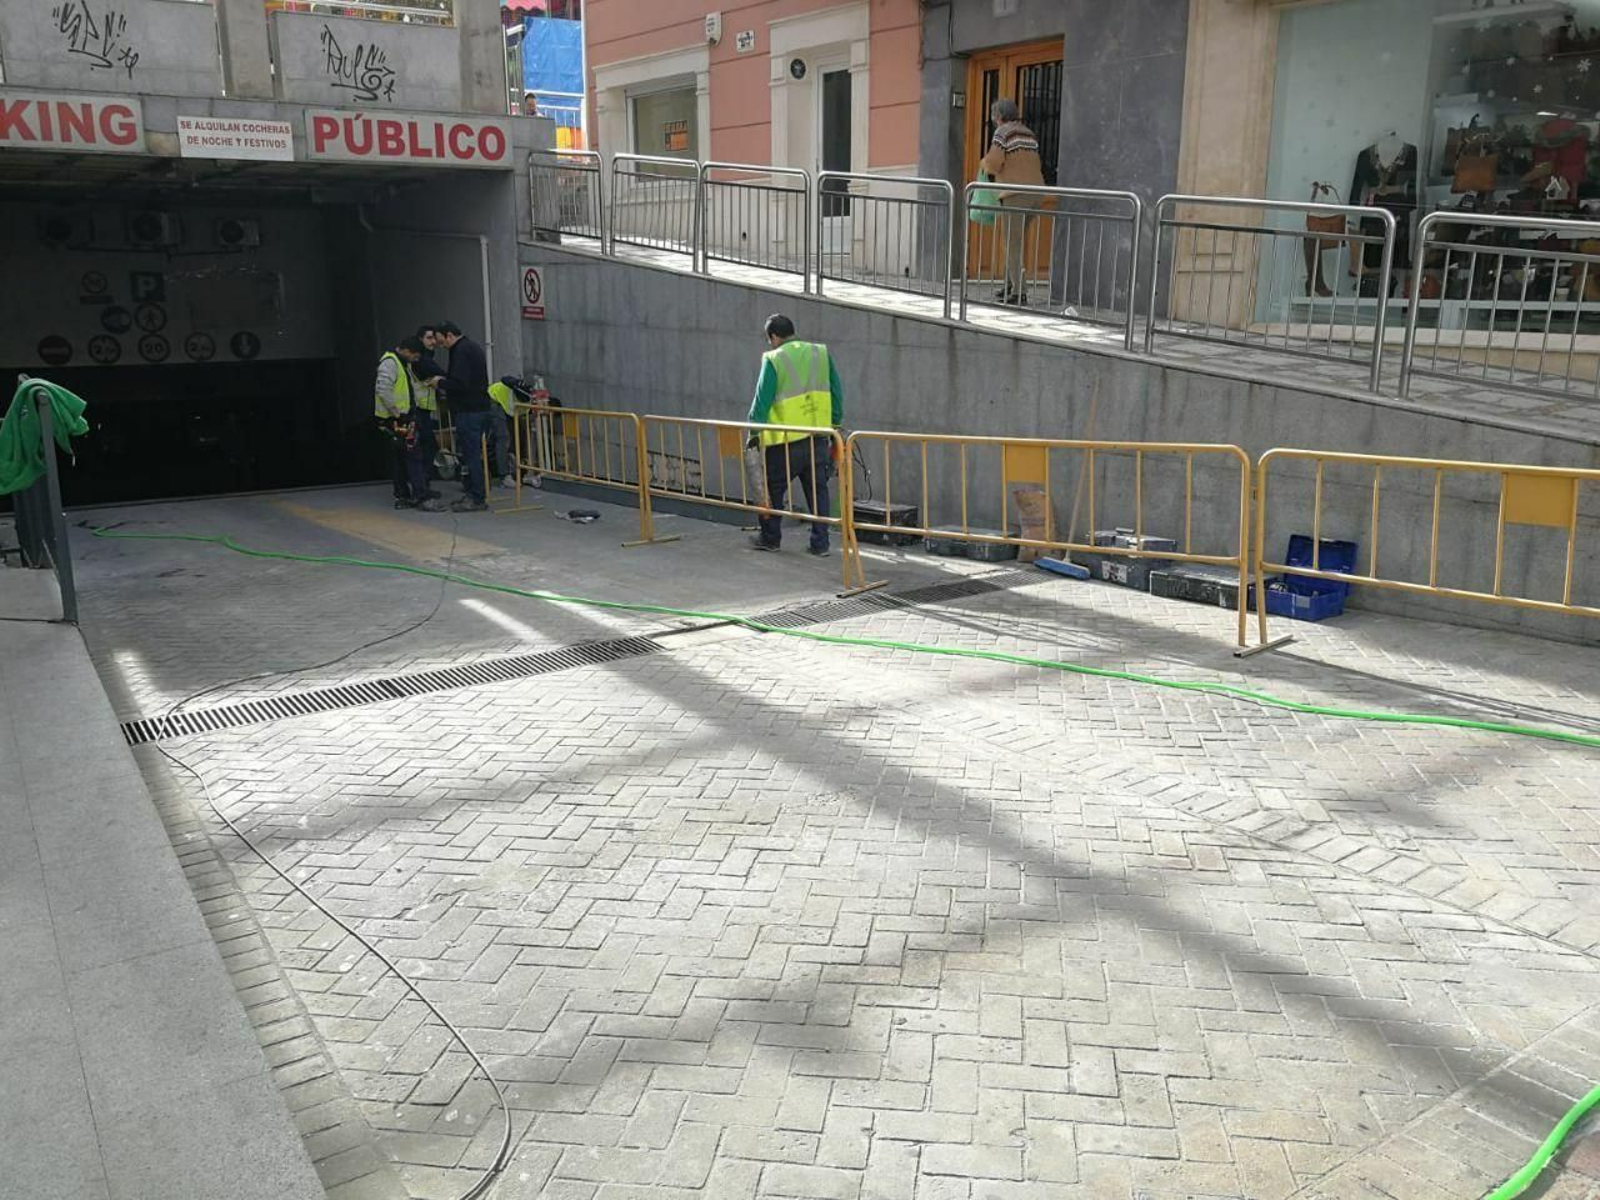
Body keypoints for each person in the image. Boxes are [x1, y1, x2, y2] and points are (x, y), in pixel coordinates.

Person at [746, 314, 843, 557]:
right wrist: (835, 424)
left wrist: (753, 435)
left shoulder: (774, 359)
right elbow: (836, 390)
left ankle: (770, 539)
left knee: (772, 490)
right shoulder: (819, 353)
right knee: (818, 491)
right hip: (818, 436)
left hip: (785, 442)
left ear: (774, 337)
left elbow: (761, 402)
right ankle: (821, 544)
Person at [980, 97, 1046, 306]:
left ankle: (1019, 292)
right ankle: (1010, 284)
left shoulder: (1003, 132)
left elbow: (993, 162)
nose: (993, 120)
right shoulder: (1028, 133)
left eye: (993, 115)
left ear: (998, 116)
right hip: (1036, 193)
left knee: (1012, 242)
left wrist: (983, 165)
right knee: (1015, 241)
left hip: (1015, 194)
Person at [434, 320, 492, 512]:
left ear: (450, 335)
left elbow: (460, 383)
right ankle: (474, 492)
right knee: (473, 454)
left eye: (442, 342)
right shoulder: (471, 347)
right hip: (479, 408)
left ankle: (476, 497)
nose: (442, 346)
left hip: (469, 411)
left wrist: (440, 382)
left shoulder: (461, 351)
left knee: (471, 454)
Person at [374, 336, 431, 509]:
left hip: (397, 419)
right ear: (406, 351)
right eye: (415, 355)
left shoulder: (399, 363)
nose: (416, 359)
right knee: (413, 457)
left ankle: (404, 496)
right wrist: (397, 413)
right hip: (397, 420)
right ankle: (420, 496)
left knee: (400, 459)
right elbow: (383, 389)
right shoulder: (391, 363)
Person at [487, 374, 524, 489]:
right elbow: (505, 379)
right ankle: (504, 476)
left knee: (496, 439)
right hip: (493, 400)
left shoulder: (525, 398)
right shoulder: (521, 393)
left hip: (495, 402)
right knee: (503, 438)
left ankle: (490, 466)